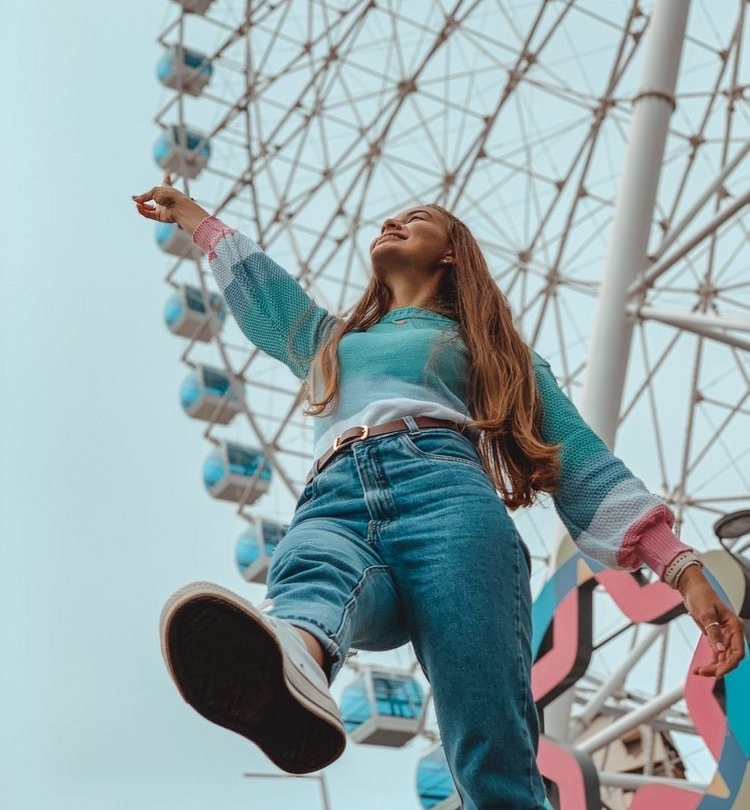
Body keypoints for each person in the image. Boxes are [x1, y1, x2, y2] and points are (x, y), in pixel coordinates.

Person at [133, 173, 744, 809]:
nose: (390, 224)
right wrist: (192, 216)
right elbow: (267, 295)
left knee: (489, 741)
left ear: (452, 252)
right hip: (334, 495)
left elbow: (578, 457)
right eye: (389, 219)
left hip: (446, 497)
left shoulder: (490, 349)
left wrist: (682, 566)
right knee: (311, 571)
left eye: (415, 219)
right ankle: (295, 657)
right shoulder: (330, 340)